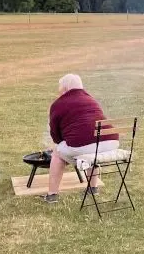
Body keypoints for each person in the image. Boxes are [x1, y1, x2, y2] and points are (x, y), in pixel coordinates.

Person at [43, 74, 118, 204]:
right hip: (111, 142)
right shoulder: (91, 99)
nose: (59, 90)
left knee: (57, 153)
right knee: (91, 152)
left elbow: (55, 135)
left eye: (60, 87)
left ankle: (52, 195)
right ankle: (92, 188)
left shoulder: (58, 104)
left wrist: (61, 144)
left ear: (65, 87)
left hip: (86, 144)